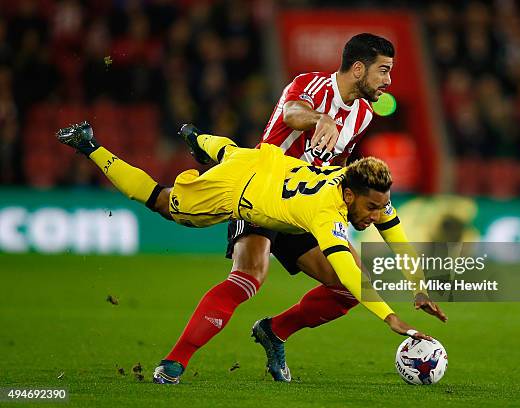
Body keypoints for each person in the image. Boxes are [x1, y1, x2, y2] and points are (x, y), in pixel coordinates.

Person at [56, 121, 436, 385]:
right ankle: (89, 144)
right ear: (351, 197)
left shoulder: (361, 186)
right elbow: (351, 270)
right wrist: (389, 318)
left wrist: (419, 287)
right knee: (164, 203)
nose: (376, 215)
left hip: (275, 183)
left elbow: (396, 237)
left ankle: (274, 332)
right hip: (242, 195)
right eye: (371, 209)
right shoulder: (326, 212)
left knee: (229, 150)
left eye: (380, 207)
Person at [215, 33, 446, 382]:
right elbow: (292, 113)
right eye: (383, 71)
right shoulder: (310, 85)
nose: (389, 81)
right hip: (264, 194)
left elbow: (341, 172)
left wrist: (418, 285)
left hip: (309, 206)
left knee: (350, 288)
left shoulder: (364, 114)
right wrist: (319, 120)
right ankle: (174, 363)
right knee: (248, 276)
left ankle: (274, 331)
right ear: (358, 69)